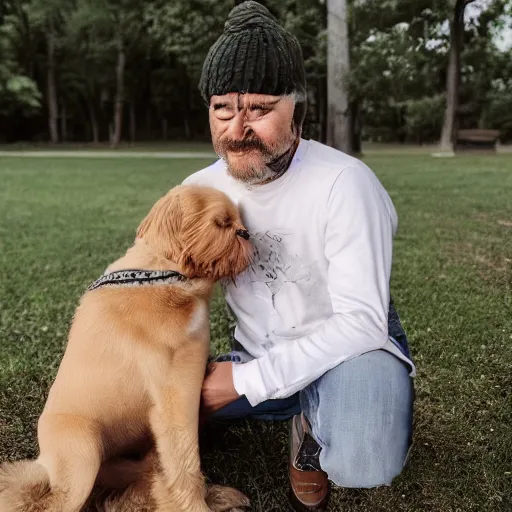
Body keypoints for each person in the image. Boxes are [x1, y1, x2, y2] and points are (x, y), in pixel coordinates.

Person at [184, 2, 416, 510]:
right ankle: (285, 403)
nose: (237, 128)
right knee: (136, 408)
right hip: (257, 354)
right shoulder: (197, 190)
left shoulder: (345, 182)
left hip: (351, 355)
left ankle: (312, 426)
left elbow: (362, 323)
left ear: (298, 109)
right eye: (223, 109)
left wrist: (241, 384)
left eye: (261, 109)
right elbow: (165, 285)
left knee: (364, 456)